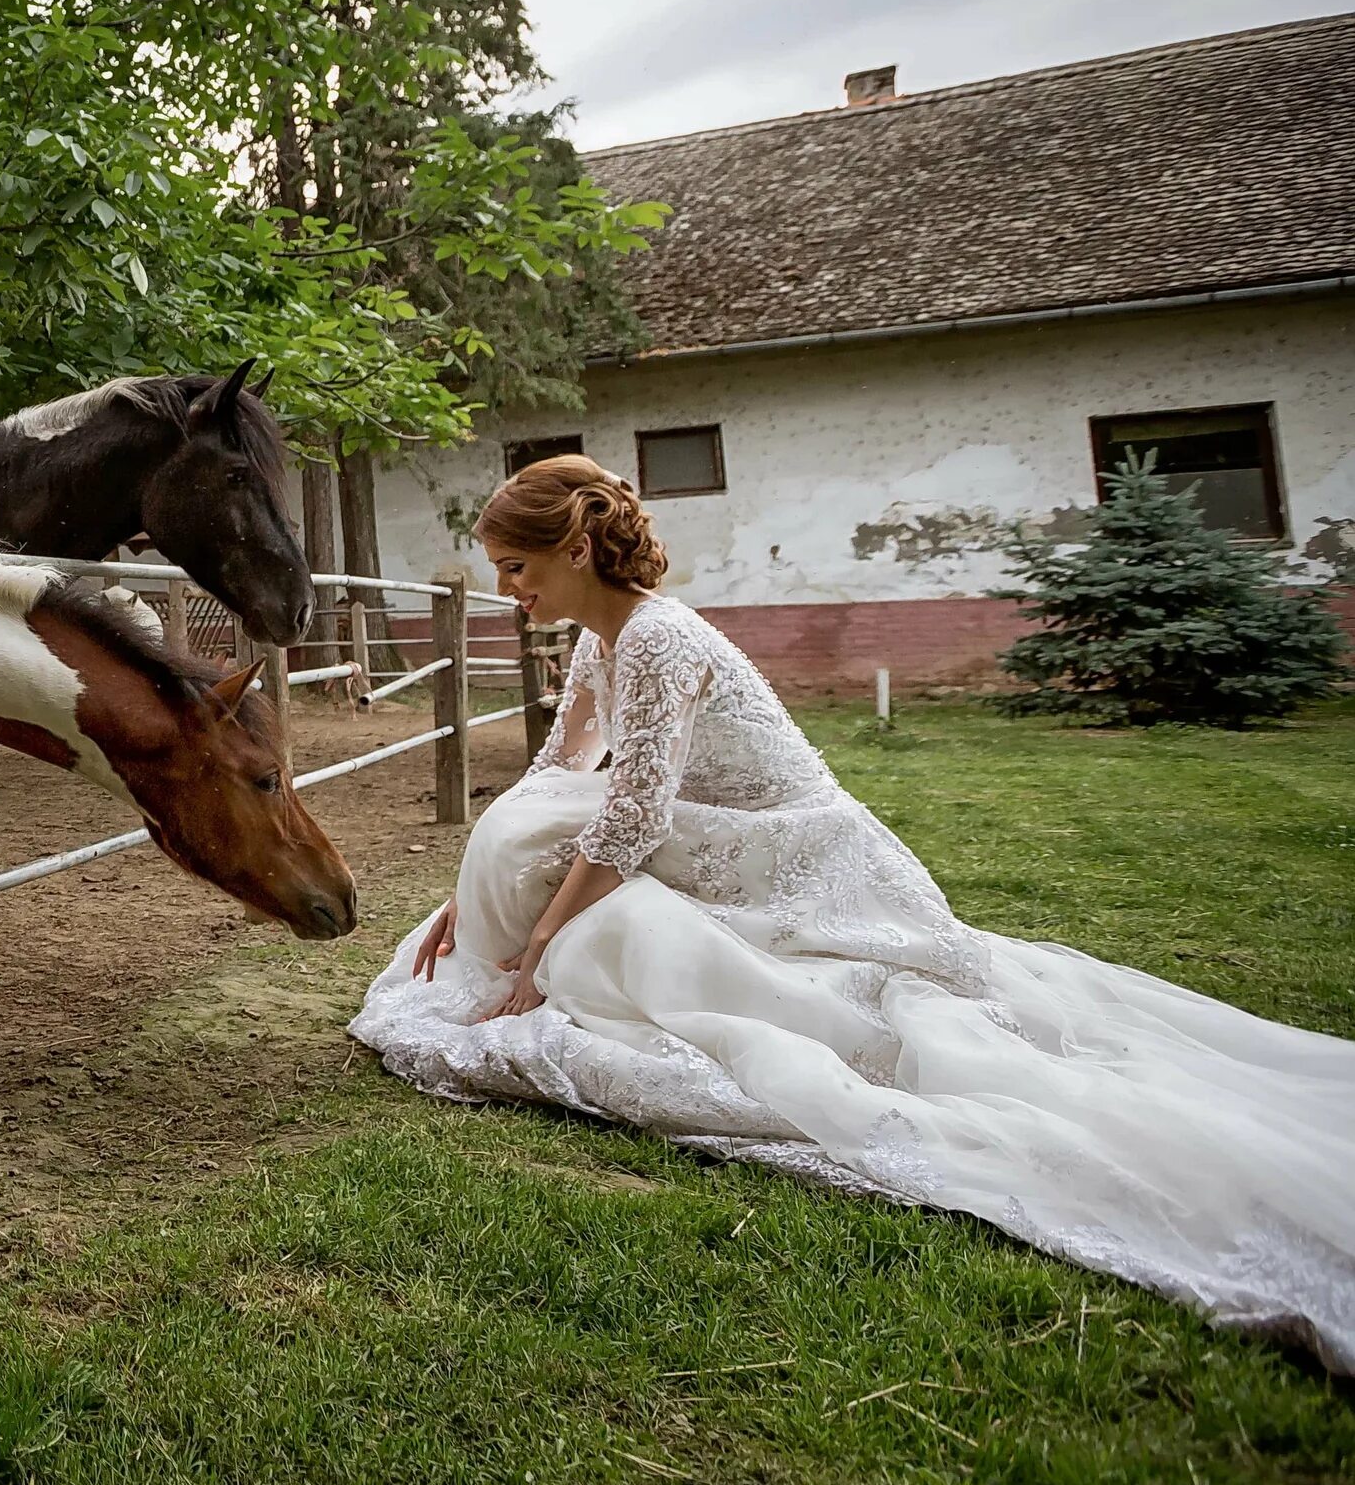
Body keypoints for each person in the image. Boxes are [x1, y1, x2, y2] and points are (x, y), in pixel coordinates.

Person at [349, 455, 1355, 1369]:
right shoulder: (597, 639)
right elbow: (555, 775)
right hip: (713, 841)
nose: (504, 590)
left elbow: (635, 815)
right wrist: (468, 889)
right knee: (579, 893)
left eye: (515, 567)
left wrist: (536, 947)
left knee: (857, 1015)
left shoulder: (656, 638)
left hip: (802, 854)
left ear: (574, 547)